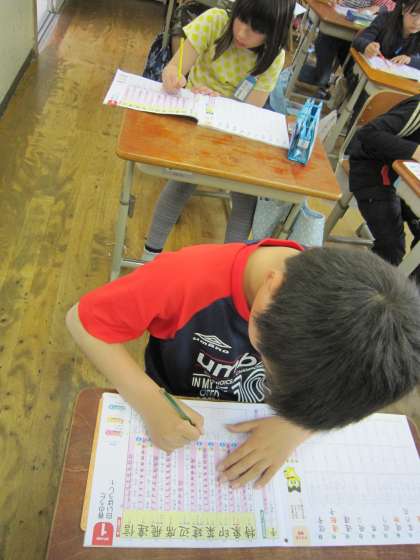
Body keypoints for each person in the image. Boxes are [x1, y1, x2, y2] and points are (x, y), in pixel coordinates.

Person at [66, 240, 420, 488]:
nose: (265, 374)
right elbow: (82, 321)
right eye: (266, 359)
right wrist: (150, 402)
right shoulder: (184, 277)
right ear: (271, 290)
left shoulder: (351, 334)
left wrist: (296, 427)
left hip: (252, 423)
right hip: (176, 401)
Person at [140, 0, 294, 263]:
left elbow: (249, 110)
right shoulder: (215, 21)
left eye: (257, 29)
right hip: (194, 119)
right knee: (182, 181)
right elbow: (173, 68)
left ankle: (228, 265)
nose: (243, 33)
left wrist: (221, 102)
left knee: (246, 195)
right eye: (242, 20)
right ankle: (149, 256)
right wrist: (175, 80)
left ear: (274, 33)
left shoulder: (273, 56)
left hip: (233, 130)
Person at [349, 94, 420, 279]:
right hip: (374, 172)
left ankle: (408, 289)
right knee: (392, 249)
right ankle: (361, 287)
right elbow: (368, 134)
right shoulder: (417, 109)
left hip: (409, 183)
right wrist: (415, 151)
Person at [298, 0, 395, 94]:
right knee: (322, 78)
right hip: (331, 26)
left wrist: (377, 8)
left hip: (355, 33)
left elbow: (391, 6)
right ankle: (299, 71)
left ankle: (332, 83)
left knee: (354, 81)